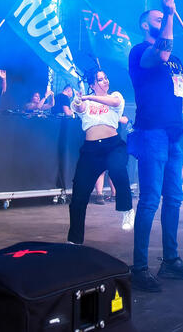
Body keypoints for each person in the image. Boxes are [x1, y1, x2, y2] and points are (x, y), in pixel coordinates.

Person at [128, 0, 183, 293]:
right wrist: (171, 14)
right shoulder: (140, 52)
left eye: (163, 17)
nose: (162, 19)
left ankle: (171, 260)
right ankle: (139, 267)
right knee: (150, 199)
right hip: (151, 132)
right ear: (145, 25)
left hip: (174, 136)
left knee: (174, 198)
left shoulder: (175, 60)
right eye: (157, 17)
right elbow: (160, 53)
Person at [67, 68, 134, 244]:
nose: (105, 81)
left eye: (106, 78)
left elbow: (114, 102)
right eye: (101, 79)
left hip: (113, 146)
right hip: (90, 151)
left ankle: (127, 209)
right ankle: (74, 241)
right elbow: (79, 107)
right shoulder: (86, 102)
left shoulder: (115, 96)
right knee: (79, 195)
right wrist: (80, 100)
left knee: (117, 168)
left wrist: (89, 97)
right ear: (92, 84)